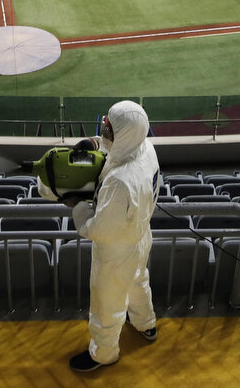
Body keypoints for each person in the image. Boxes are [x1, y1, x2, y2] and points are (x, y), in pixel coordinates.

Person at [66, 100, 161, 372]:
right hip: (141, 235)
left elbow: (98, 229)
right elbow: (119, 145)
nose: (104, 128)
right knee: (138, 282)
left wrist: (79, 207)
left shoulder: (120, 179)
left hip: (116, 250)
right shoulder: (146, 148)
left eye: (108, 127)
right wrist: (94, 144)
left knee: (107, 303)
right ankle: (146, 324)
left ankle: (104, 354)